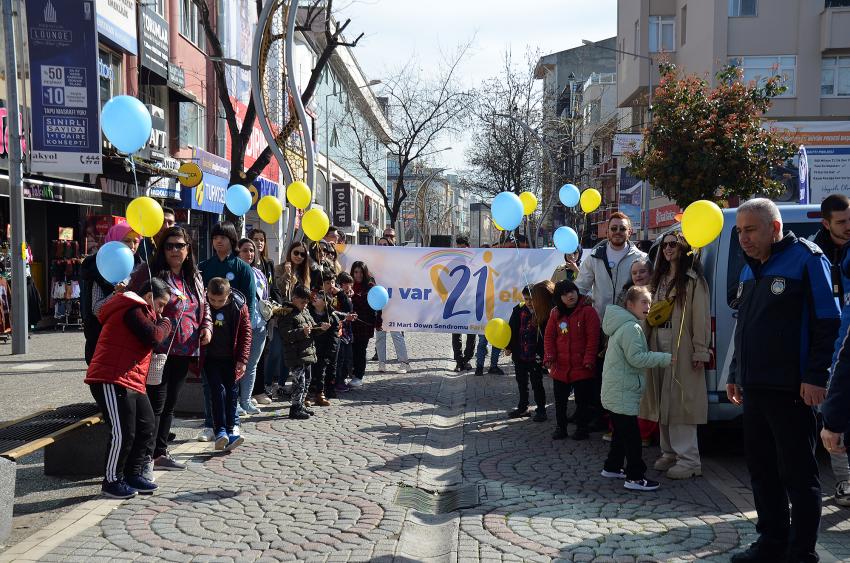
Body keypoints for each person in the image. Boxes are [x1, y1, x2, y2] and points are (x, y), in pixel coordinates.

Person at [727, 199, 840, 563]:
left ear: (774, 229)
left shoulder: (808, 259)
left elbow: (828, 321)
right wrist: (735, 373)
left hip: (793, 388)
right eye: (739, 231)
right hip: (755, 387)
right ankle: (771, 542)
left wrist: (816, 376)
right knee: (762, 471)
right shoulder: (749, 269)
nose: (743, 238)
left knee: (798, 474)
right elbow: (743, 327)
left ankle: (802, 552)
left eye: (751, 230)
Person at [128, 227, 211, 472]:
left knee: (170, 404)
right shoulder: (150, 272)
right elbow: (133, 303)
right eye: (169, 246)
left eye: (180, 245)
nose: (175, 250)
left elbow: (203, 307)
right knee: (156, 403)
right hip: (158, 351)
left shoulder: (193, 275)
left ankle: (160, 452)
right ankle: (145, 456)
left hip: (185, 350)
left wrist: (207, 328)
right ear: (162, 249)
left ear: (188, 249)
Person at [84, 278, 172, 498]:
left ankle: (133, 474)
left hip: (131, 379)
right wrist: (167, 323)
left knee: (146, 426)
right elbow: (154, 336)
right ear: (150, 297)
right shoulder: (132, 308)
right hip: (111, 377)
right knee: (123, 432)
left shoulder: (144, 312)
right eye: (160, 304)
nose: (161, 311)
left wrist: (159, 321)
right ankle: (112, 480)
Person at [639, 231, 710, 480]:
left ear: (683, 248)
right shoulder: (658, 279)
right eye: (665, 245)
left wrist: (701, 349)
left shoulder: (692, 280)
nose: (668, 249)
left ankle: (689, 459)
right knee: (661, 399)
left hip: (682, 345)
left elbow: (700, 316)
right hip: (657, 341)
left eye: (673, 244)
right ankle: (668, 452)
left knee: (681, 400)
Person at [600, 286, 671, 492]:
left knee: (621, 433)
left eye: (649, 302)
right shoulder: (631, 327)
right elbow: (637, 358)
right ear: (629, 304)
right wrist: (666, 358)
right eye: (643, 302)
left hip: (616, 390)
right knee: (631, 437)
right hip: (623, 391)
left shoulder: (622, 324)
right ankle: (635, 477)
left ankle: (612, 467)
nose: (648, 307)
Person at [813, 194, 850, 506]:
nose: (849, 226)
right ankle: (845, 482)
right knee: (834, 414)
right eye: (842, 222)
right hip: (831, 346)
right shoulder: (815, 252)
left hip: (844, 345)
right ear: (827, 223)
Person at [544, 280, 601, 440]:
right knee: (560, 401)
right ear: (559, 297)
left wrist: (589, 359)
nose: (570, 295)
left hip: (582, 366)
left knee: (582, 402)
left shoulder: (588, 312)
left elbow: (593, 338)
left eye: (572, 291)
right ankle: (560, 428)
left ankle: (582, 429)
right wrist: (549, 356)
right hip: (560, 367)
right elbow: (549, 337)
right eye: (564, 293)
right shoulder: (555, 313)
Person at [81, 223, 143, 364]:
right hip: (105, 342)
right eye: (127, 240)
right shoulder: (99, 267)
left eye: (136, 241)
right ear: (114, 241)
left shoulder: (142, 268)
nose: (132, 246)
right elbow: (96, 309)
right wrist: (115, 294)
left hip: (133, 341)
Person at [204, 277, 251, 452]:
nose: (216, 304)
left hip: (231, 358)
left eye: (220, 300)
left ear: (229, 295)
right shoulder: (203, 305)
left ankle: (232, 429)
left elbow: (246, 333)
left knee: (232, 393)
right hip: (210, 358)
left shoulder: (238, 306)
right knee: (217, 391)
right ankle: (220, 430)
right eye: (212, 299)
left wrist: (243, 359)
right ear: (207, 293)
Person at [575, 212, 646, 320]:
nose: (618, 232)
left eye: (622, 229)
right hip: (600, 324)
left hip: (629, 325)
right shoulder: (594, 257)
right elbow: (580, 288)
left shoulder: (642, 259)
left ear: (630, 232)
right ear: (607, 232)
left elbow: (649, 289)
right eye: (614, 228)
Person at [276, 285, 330, 418]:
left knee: (307, 380)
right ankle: (294, 408)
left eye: (307, 302)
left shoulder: (305, 312)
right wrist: (302, 332)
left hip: (307, 353)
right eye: (302, 302)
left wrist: (321, 328)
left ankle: (301, 405)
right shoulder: (287, 313)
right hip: (295, 354)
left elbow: (312, 330)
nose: (305, 305)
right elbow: (285, 334)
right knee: (299, 382)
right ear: (294, 298)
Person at [503, 283, 547, 421]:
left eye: (532, 299)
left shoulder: (542, 312)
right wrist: (509, 346)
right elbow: (512, 329)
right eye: (526, 299)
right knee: (522, 383)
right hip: (520, 353)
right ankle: (523, 408)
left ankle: (541, 410)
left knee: (537, 384)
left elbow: (546, 335)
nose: (529, 302)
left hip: (535, 355)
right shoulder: (518, 310)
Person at [236, 238, 269, 417]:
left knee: (252, 365)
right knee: (238, 364)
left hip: (259, 324)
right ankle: (234, 402)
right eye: (245, 250)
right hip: (240, 325)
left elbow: (264, 296)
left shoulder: (259, 273)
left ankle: (246, 400)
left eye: (251, 251)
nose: (249, 254)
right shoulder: (234, 271)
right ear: (238, 252)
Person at [308, 287, 341, 405]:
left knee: (321, 371)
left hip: (323, 350)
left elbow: (334, 338)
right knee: (309, 372)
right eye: (316, 296)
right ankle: (307, 394)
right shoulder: (308, 313)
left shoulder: (332, 318)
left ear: (325, 302)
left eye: (320, 297)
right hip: (310, 348)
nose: (315, 298)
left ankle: (320, 393)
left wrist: (330, 353)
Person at [349, 261, 380, 387]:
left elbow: (378, 307)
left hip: (365, 323)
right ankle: (350, 373)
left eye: (361, 272)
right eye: (356, 272)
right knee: (350, 350)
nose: (358, 275)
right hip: (350, 323)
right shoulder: (348, 285)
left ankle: (358, 375)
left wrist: (378, 322)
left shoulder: (370, 286)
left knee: (360, 350)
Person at [451, 236, 475, 371]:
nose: (460, 250)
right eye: (458, 247)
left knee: (472, 333)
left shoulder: (475, 260)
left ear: (468, 246)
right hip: (456, 303)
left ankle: (467, 360)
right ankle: (458, 361)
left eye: (462, 247)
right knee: (456, 334)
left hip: (472, 302)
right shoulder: (453, 261)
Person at [334, 272, 356, 392]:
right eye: (345, 284)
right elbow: (338, 312)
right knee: (340, 358)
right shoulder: (337, 296)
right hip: (340, 330)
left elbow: (350, 309)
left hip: (348, 331)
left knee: (348, 357)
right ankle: (338, 381)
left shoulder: (349, 296)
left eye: (350, 284)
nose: (348, 287)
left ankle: (342, 379)